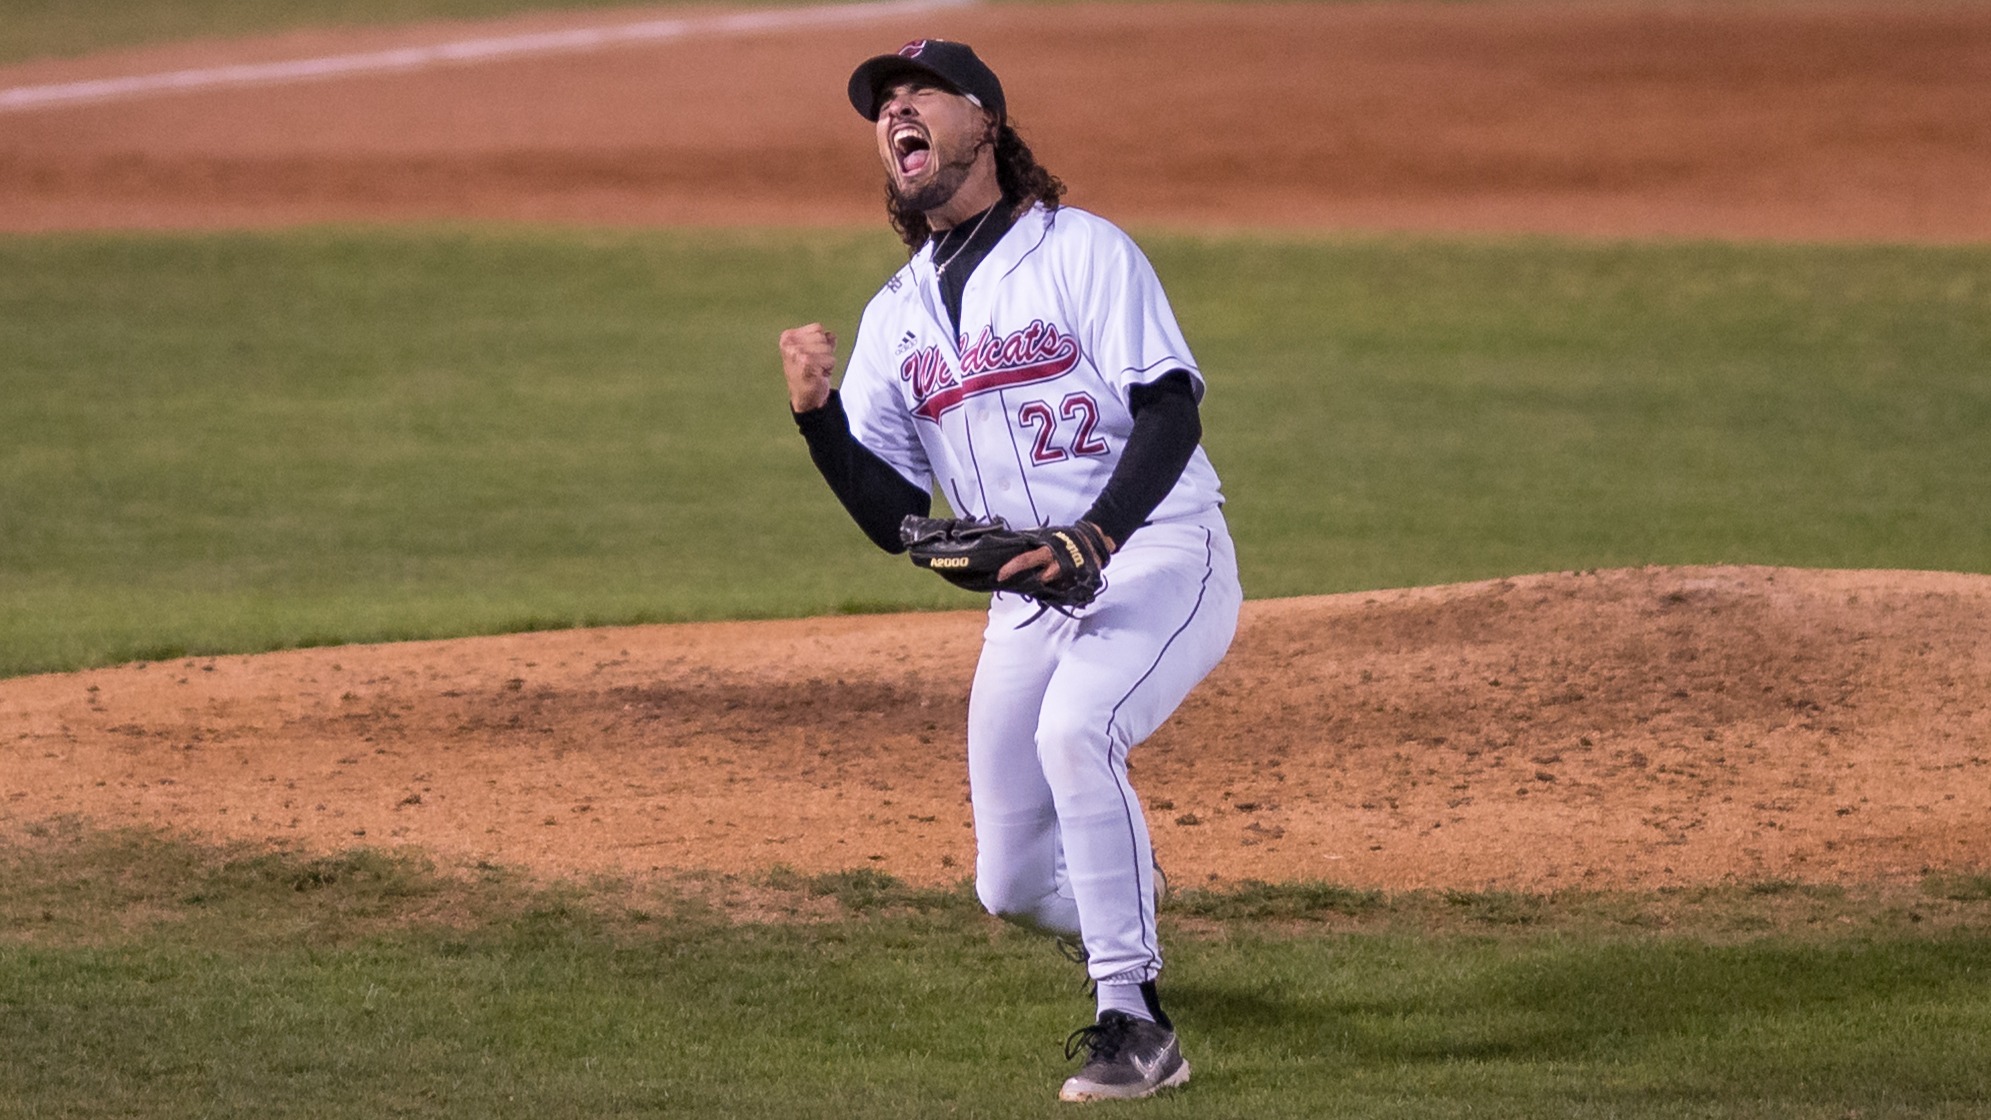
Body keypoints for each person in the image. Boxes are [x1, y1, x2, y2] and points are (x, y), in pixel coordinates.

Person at [776, 38, 1241, 1103]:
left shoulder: (1081, 251)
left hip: (1157, 548)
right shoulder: (895, 316)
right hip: (1029, 598)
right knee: (1013, 883)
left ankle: (1135, 1018)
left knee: (1074, 730)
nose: (895, 114)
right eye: (881, 106)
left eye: (918, 95)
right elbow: (902, 516)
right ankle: (1123, 892)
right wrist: (816, 425)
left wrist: (1100, 533)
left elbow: (1169, 405)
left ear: (981, 117)